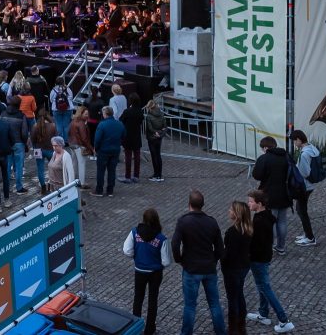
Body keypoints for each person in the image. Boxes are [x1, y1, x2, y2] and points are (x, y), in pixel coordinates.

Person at [171, 190, 226, 335]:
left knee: (190, 306)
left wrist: (179, 259)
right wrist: (213, 260)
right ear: (203, 205)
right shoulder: (212, 222)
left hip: (191, 269)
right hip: (209, 268)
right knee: (214, 304)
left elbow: (175, 244)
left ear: (189, 204)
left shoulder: (183, 221)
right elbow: (220, 248)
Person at [246, 189, 295, 332]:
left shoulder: (259, 221)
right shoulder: (267, 216)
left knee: (265, 288)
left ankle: (283, 320)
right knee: (262, 286)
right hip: (265, 257)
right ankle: (263, 313)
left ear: (259, 204)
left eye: (251, 202)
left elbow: (256, 243)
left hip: (258, 259)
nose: (248, 204)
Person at [123, 207, 170, 335]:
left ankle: (135, 327)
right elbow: (166, 261)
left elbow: (126, 250)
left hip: (139, 271)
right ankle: (150, 329)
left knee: (138, 298)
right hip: (155, 273)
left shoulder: (134, 232)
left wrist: (136, 257)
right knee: (152, 300)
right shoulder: (161, 238)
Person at [251, 136, 291, 255]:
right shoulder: (285, 156)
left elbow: (257, 175)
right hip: (284, 193)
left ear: (265, 147)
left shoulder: (264, 158)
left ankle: (269, 247)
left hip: (268, 195)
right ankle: (281, 247)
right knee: (282, 222)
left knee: (270, 222)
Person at [221, 200, 253, 335]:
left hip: (232, 269)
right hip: (244, 266)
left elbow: (228, 254)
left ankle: (233, 328)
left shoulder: (232, 232)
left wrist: (222, 259)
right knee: (239, 294)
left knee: (232, 298)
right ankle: (241, 325)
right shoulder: (249, 230)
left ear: (237, 214)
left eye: (231, 209)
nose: (229, 211)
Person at [291, 129, 319, 247]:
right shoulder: (312, 148)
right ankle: (307, 234)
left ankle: (310, 238)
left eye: (294, 141)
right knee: (301, 209)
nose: (294, 143)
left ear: (298, 139)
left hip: (305, 186)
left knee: (301, 211)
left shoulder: (304, 154)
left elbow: (304, 172)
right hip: (310, 185)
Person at [92, 106, 124, 197]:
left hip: (103, 150)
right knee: (112, 170)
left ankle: (99, 190)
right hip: (115, 150)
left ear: (105, 114)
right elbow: (123, 135)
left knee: (101, 171)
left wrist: (96, 148)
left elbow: (97, 139)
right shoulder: (119, 124)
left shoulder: (102, 124)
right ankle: (110, 190)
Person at [119, 96, 144, 184]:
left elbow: (121, 119)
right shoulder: (140, 111)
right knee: (137, 156)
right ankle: (136, 175)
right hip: (137, 136)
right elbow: (141, 121)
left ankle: (127, 176)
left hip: (128, 136)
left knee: (128, 156)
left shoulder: (127, 111)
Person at [143, 100, 166, 181]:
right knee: (158, 155)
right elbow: (165, 126)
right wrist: (160, 133)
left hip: (152, 137)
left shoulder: (149, 116)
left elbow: (150, 128)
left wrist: (155, 132)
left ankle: (156, 175)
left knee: (154, 156)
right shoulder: (161, 114)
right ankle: (159, 174)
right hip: (159, 137)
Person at [50, 77, 74, 141]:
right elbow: (71, 97)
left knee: (58, 125)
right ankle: (66, 141)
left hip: (56, 109)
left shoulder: (53, 90)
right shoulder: (67, 89)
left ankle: (60, 141)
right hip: (68, 108)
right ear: (63, 82)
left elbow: (51, 100)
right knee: (66, 125)